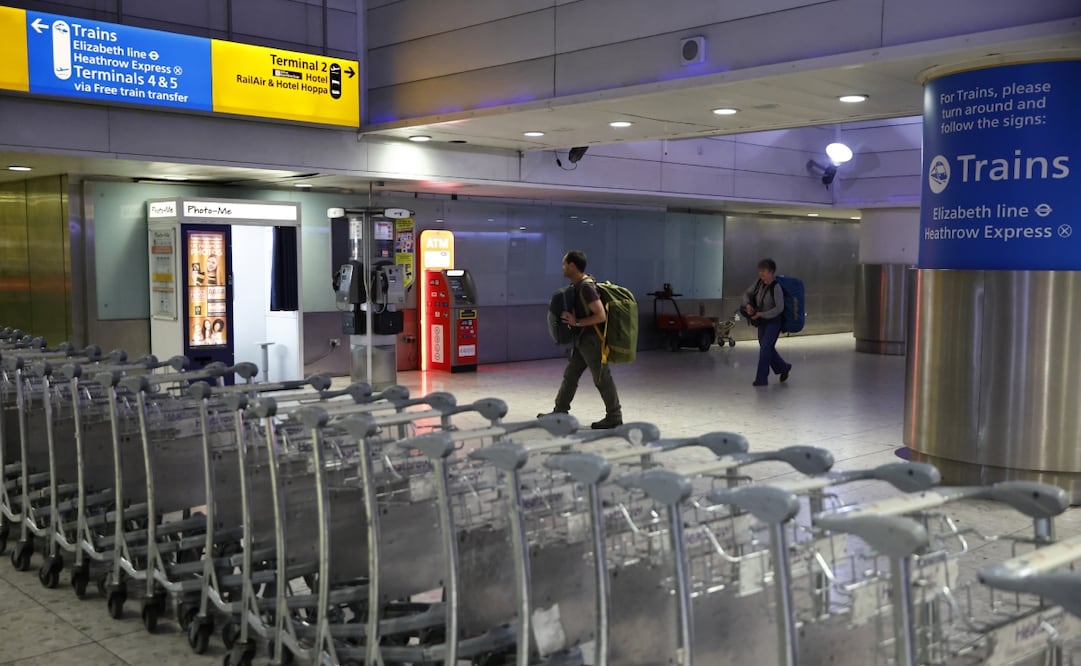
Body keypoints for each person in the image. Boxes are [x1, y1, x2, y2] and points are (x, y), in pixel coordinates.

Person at [539, 250, 623, 429]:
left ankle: (614, 416)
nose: (562, 267)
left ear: (572, 265)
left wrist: (576, 321)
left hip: (592, 341)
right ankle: (560, 411)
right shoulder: (580, 286)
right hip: (582, 340)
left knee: (602, 378)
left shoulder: (586, 287)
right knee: (570, 375)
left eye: (564, 264)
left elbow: (601, 315)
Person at [742, 258, 793, 387]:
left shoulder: (776, 287)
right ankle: (784, 367)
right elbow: (747, 294)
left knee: (765, 349)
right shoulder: (758, 283)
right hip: (762, 322)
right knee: (766, 348)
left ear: (771, 272)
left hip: (774, 322)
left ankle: (761, 379)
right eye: (760, 271)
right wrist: (748, 305)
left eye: (764, 271)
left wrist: (762, 314)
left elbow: (779, 308)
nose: (761, 274)